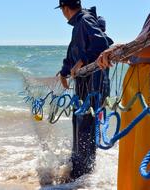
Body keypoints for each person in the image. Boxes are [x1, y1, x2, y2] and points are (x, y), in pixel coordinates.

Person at [55, 0, 114, 180]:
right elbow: (74, 52)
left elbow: (103, 45)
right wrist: (64, 72)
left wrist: (81, 62)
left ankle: (81, 177)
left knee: (85, 129)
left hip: (93, 87)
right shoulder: (81, 23)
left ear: (65, 8)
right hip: (86, 86)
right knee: (82, 127)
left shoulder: (84, 21)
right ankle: (82, 172)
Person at [97, 14, 150, 190]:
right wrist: (122, 52)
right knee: (132, 154)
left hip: (145, 86)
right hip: (136, 84)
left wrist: (122, 50)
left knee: (143, 151)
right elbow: (142, 48)